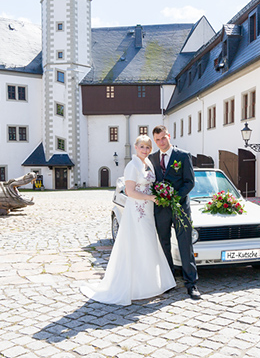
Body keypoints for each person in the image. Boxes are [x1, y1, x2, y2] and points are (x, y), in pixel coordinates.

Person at [80, 135, 176, 306]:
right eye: (142, 147)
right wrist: (152, 197)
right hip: (137, 211)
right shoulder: (132, 166)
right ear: (135, 147)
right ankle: (136, 287)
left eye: (148, 147)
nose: (145, 150)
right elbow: (130, 192)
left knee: (149, 245)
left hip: (148, 210)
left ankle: (150, 284)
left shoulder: (148, 164)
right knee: (139, 244)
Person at [149, 125, 200, 300]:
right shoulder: (152, 158)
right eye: (157, 140)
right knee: (163, 244)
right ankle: (168, 281)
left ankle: (191, 284)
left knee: (185, 244)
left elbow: (190, 182)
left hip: (180, 208)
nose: (161, 142)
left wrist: (173, 198)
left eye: (163, 138)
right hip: (160, 209)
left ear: (169, 136)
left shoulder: (183, 156)